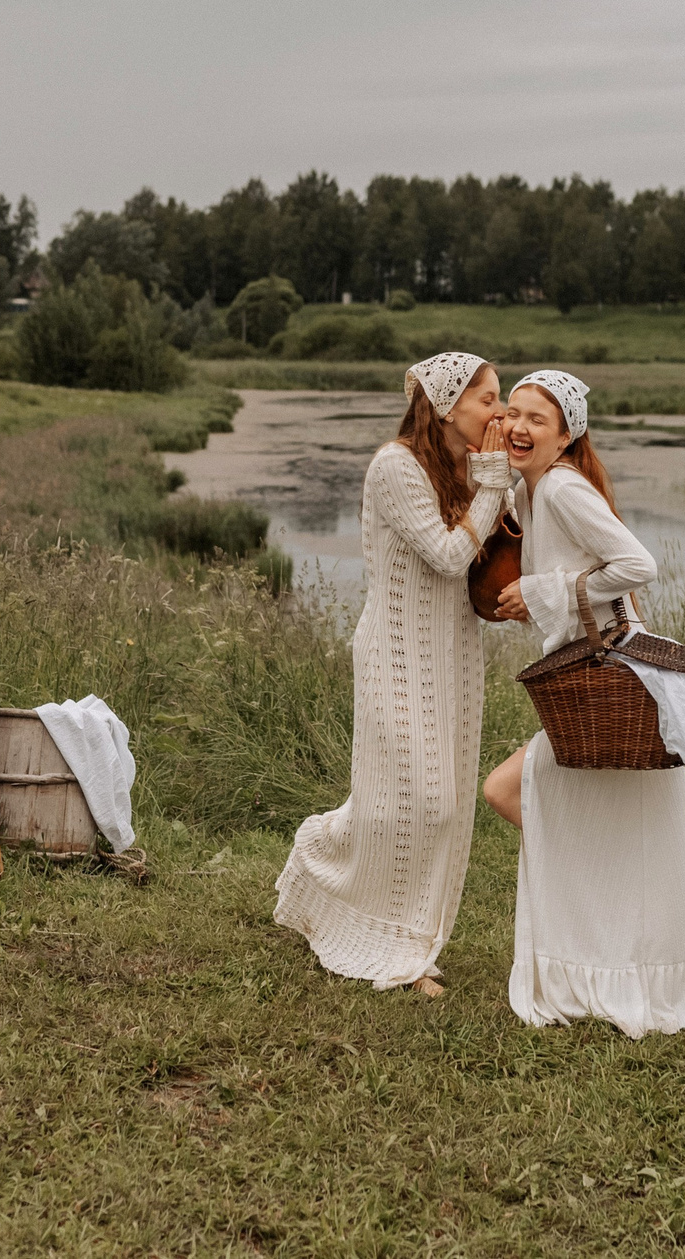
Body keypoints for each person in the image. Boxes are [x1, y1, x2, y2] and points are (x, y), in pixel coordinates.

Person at [275, 352, 513, 997]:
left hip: (454, 655)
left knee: (445, 803)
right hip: (395, 654)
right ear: (446, 405)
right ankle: (339, 880)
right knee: (418, 802)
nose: (500, 411)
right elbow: (444, 555)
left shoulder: (470, 469)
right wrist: (493, 484)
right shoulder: (394, 466)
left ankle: (409, 939)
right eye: (489, 399)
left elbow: (487, 558)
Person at [482, 368, 685, 1037]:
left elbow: (638, 565)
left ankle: (593, 951)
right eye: (512, 412)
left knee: (505, 789)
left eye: (537, 419)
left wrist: (546, 591)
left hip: (601, 671)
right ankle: (605, 948)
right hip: (585, 671)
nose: (520, 426)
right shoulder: (535, 489)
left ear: (567, 433)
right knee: (550, 807)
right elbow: (500, 521)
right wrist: (492, 463)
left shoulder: (562, 486)